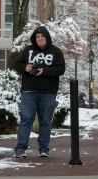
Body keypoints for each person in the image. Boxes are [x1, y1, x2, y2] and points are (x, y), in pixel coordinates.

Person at [14, 26, 65, 158]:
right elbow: (17, 64)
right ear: (34, 39)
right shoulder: (28, 50)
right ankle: (20, 149)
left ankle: (44, 149)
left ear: (47, 37)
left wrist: (45, 71)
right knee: (26, 119)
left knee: (45, 121)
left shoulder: (56, 52)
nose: (40, 39)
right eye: (37, 37)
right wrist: (25, 67)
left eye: (42, 36)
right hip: (29, 91)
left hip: (48, 92)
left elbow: (61, 69)